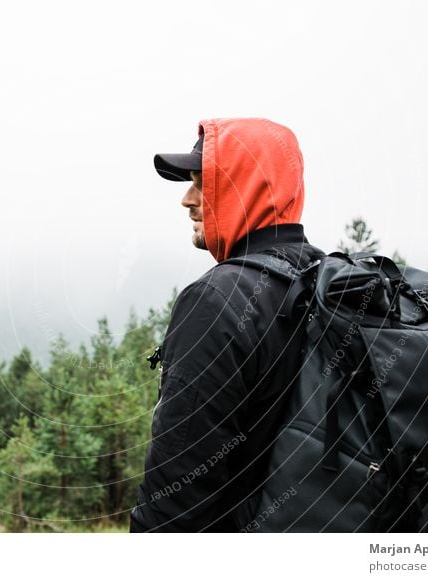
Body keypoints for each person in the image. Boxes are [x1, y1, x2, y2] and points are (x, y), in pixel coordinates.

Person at [129, 118, 326, 532]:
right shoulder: (324, 280)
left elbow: (177, 496)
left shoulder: (217, 301)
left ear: (245, 187)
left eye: (203, 183)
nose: (187, 199)